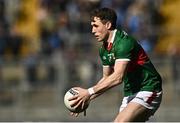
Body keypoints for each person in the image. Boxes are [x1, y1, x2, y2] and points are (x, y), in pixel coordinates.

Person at [69, 7, 162, 122]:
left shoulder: (123, 43)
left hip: (148, 88)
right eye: (92, 26)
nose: (92, 30)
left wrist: (88, 92)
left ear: (108, 25)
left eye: (96, 26)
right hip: (130, 93)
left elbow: (118, 77)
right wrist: (85, 98)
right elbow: (106, 78)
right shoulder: (103, 49)